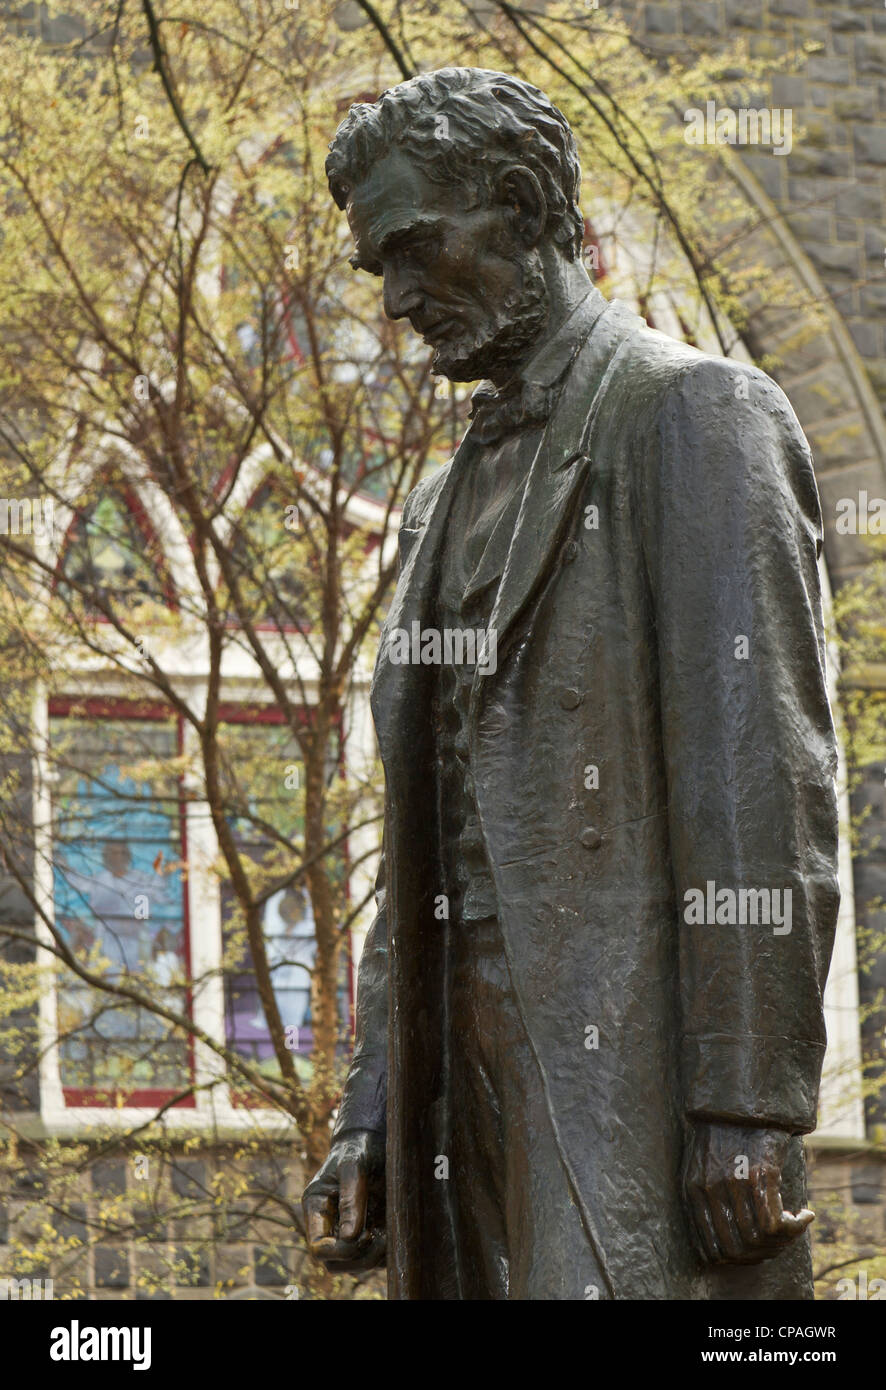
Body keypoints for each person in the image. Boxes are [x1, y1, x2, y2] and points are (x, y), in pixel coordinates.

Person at [303, 68, 840, 1300]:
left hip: (626, 1062)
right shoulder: (440, 503)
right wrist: (371, 1113)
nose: (394, 299)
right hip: (459, 1072)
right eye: (375, 268)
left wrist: (744, 1098)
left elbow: (756, 772)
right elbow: (424, 834)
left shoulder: (695, 416)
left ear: (522, 207)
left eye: (414, 249)